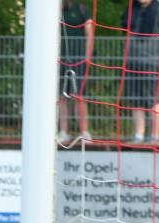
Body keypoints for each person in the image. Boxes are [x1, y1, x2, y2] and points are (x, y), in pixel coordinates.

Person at [122, 0, 159, 145]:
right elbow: (125, 31)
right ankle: (139, 135)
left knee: (153, 99)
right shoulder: (131, 11)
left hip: (152, 63)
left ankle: (155, 136)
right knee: (135, 100)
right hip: (132, 62)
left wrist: (156, 55)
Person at [58, 0, 95, 143]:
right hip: (61, 60)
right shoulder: (55, 11)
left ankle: (84, 132)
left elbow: (89, 33)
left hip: (79, 59)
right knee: (62, 96)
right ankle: (63, 132)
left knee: (79, 95)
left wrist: (87, 57)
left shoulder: (81, 9)